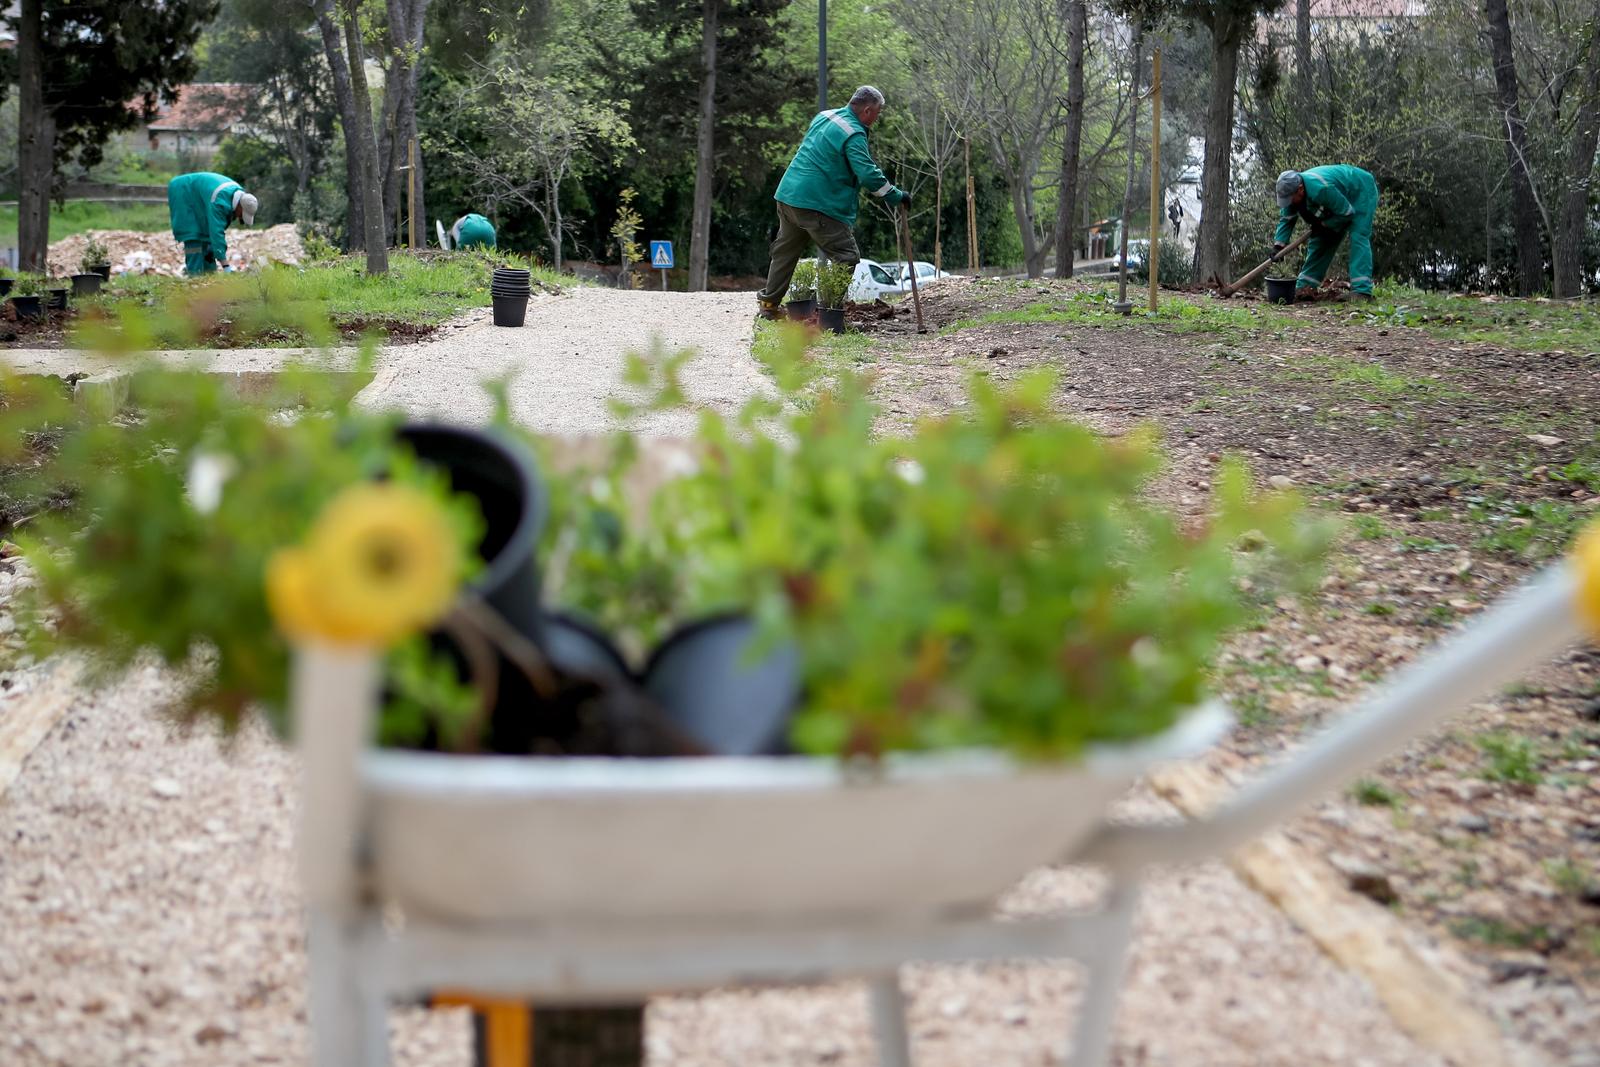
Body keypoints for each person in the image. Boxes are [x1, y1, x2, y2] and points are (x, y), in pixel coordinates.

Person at [756, 85, 910, 319]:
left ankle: (769, 308)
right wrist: (896, 196)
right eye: (877, 113)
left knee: (785, 252)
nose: (877, 118)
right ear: (867, 110)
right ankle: (828, 314)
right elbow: (867, 173)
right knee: (846, 256)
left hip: (788, 195)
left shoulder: (824, 116)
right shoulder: (854, 132)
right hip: (816, 203)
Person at [1272, 165, 1378, 301]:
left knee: (1358, 236)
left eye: (1290, 198)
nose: (1289, 202)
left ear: (1300, 189)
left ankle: (1362, 292)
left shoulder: (1320, 189)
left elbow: (1347, 213)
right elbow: (1287, 219)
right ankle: (1305, 288)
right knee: (1321, 240)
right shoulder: (1293, 195)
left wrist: (1324, 224)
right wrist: (1278, 245)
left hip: (1360, 190)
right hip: (1338, 202)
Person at [166, 172, 257, 276]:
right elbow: (216, 232)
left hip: (198, 196)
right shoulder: (219, 201)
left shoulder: (238, 195)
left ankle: (210, 275)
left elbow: (213, 234)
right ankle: (194, 277)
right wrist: (225, 265)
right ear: (240, 206)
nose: (241, 217)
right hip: (183, 191)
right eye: (242, 214)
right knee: (193, 236)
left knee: (207, 240)